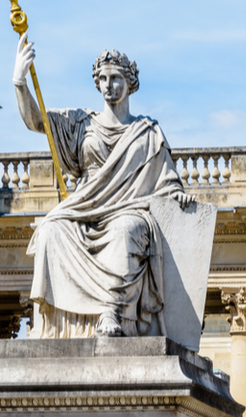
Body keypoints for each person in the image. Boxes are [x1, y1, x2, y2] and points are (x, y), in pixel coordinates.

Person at [13, 34, 194, 338]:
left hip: (129, 209)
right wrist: (20, 82)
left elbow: (166, 180)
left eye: (116, 78)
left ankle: (113, 311)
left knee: (126, 230)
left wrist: (176, 193)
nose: (109, 85)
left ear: (130, 82)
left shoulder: (147, 131)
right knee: (50, 230)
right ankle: (56, 324)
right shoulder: (82, 123)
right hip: (85, 208)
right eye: (103, 79)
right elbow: (37, 121)